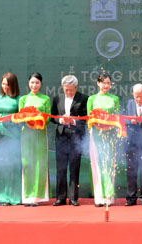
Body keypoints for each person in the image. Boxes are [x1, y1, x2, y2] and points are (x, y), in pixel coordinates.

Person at [50, 75, 88, 206]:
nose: (68, 92)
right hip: (61, 136)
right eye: (66, 89)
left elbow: (85, 118)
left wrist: (73, 120)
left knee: (74, 167)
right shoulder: (57, 99)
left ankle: (73, 197)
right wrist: (59, 120)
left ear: (76, 88)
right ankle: (60, 197)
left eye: (71, 90)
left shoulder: (83, 99)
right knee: (60, 168)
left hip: (76, 138)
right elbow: (52, 116)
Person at [87, 73, 121, 207]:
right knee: (97, 163)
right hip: (96, 134)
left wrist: (109, 127)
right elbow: (89, 118)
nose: (105, 85)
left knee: (109, 163)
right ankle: (99, 197)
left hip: (110, 135)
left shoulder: (115, 99)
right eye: (103, 83)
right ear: (98, 83)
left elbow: (117, 117)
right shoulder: (92, 99)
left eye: (108, 83)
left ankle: (109, 196)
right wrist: (98, 126)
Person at [0, 72, 21, 206]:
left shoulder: (18, 99)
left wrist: (8, 118)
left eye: (7, 84)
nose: (5, 87)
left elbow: (20, 117)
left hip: (12, 135)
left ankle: (11, 197)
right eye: (3, 84)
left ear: (13, 85)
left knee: (11, 166)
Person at [19, 72, 51, 206]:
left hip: (40, 134)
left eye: (37, 83)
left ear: (41, 84)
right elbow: (20, 116)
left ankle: (38, 197)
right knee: (27, 163)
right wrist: (28, 122)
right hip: (26, 134)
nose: (34, 85)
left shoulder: (45, 99)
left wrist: (37, 121)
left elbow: (48, 117)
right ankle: (27, 197)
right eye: (32, 82)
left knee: (40, 163)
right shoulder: (23, 99)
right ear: (28, 83)